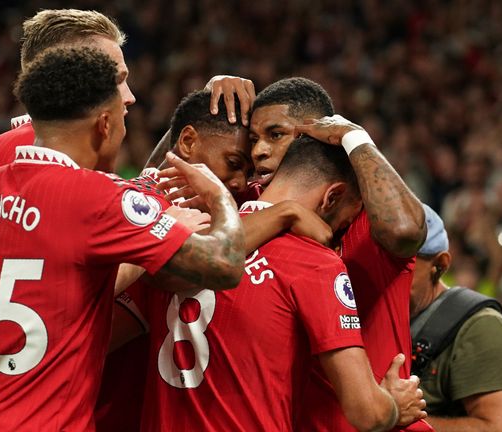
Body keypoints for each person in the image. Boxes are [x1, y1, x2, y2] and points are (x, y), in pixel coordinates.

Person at [0, 9, 256, 431]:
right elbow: (107, 226)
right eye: (116, 78)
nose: (129, 95)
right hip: (20, 407)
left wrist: (195, 115)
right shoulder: (51, 172)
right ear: (73, 74)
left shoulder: (2, 160)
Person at [140, 135, 425, 431]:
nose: (339, 233)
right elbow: (368, 414)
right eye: (343, 223)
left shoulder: (189, 239)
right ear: (333, 197)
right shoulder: (314, 261)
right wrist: (393, 404)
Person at [96, 89, 333, 431]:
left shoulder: (173, 204)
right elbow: (91, 339)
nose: (238, 183)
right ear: (189, 142)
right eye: (234, 164)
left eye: (246, 171)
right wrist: (284, 213)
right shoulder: (144, 212)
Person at [236, 77, 429, 431]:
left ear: (317, 136)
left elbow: (406, 231)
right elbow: (161, 210)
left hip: (382, 420)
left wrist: (354, 136)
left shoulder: (365, 212)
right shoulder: (255, 209)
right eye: (253, 140)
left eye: (275, 135)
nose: (258, 151)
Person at [409, 204, 502, 431]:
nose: (385, 273)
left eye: (402, 263)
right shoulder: (369, 315)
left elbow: (501, 429)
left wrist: (398, 423)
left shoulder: (481, 328)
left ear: (440, 264)